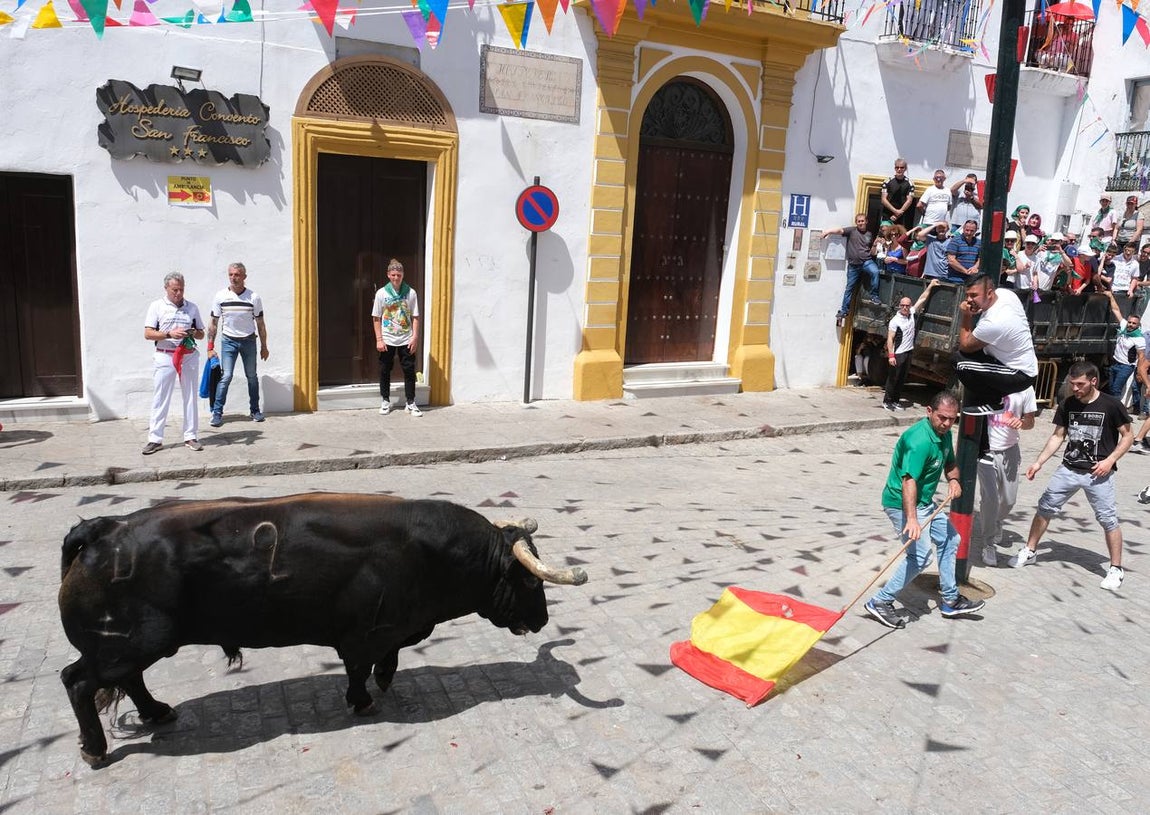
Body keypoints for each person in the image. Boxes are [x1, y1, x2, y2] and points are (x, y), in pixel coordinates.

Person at [864, 390, 986, 628]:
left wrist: (954, 480)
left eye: (952, 419)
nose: (947, 423)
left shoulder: (943, 434)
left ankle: (950, 600)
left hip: (924, 502)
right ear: (929, 411)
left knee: (951, 539)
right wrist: (911, 519)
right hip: (902, 503)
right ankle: (880, 601)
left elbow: (950, 463)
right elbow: (908, 481)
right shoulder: (918, 441)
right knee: (919, 557)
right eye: (942, 417)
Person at [1008, 361, 1132, 592]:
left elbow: (1128, 436)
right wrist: (1039, 462)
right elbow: (1058, 436)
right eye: (1072, 383)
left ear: (1093, 381)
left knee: (1108, 519)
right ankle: (1030, 550)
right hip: (1068, 469)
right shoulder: (1067, 404)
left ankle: (1116, 568)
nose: (1075, 388)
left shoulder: (1111, 404)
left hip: (1098, 474)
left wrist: (1110, 461)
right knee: (1045, 508)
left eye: (1080, 384)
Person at [955, 274, 1039, 415]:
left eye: (974, 295)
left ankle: (993, 401)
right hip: (1023, 364)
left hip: (1019, 375)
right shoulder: (1005, 294)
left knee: (959, 362)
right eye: (967, 295)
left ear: (989, 293)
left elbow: (965, 346)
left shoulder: (994, 323)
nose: (969, 300)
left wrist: (967, 315)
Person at [142, 272, 206, 454]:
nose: (178, 293)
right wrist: (169, 334)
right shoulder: (157, 306)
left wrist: (192, 332)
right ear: (166, 289)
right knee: (161, 396)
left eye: (181, 289)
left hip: (188, 354)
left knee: (190, 395)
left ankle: (191, 436)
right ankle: (155, 439)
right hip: (165, 354)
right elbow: (148, 333)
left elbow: (201, 333)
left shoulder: (191, 307)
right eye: (174, 290)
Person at [977, 387, 1038, 566]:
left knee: (1009, 500)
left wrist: (1021, 422)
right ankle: (988, 544)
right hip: (986, 450)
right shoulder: (988, 380)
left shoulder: (1025, 386)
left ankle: (996, 521)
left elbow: (1030, 421)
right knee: (990, 499)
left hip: (1010, 450)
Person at [207, 262, 269, 427]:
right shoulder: (220, 296)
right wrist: (210, 347)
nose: (233, 278)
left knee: (252, 376)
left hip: (249, 341)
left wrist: (264, 346)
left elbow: (261, 323)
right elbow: (213, 323)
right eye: (231, 274)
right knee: (226, 376)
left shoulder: (253, 297)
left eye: (237, 275)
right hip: (228, 341)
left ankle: (255, 410)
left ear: (244, 277)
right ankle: (217, 412)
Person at [372, 258, 423, 417]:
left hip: (406, 338)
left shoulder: (410, 292)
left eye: (399, 275)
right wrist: (379, 339)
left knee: (409, 371)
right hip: (387, 338)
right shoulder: (381, 293)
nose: (396, 278)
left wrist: (415, 337)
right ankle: (385, 400)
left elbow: (415, 316)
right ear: (388, 275)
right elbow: (376, 317)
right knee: (385, 370)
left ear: (403, 275)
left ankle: (410, 402)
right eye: (393, 275)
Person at [883, 280, 940, 411]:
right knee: (893, 378)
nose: (905, 308)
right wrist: (891, 355)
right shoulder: (895, 321)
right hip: (898, 353)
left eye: (907, 305)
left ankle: (895, 400)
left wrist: (931, 285)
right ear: (899, 306)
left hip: (908, 352)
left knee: (902, 378)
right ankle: (887, 401)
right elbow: (890, 339)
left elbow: (922, 299)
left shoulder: (912, 313)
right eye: (902, 305)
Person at [821, 214, 881, 320]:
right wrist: (827, 232)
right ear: (856, 222)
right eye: (859, 221)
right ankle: (844, 311)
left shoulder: (869, 234)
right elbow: (839, 230)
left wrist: (875, 244)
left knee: (875, 272)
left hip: (866, 261)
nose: (861, 223)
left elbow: (871, 251)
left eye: (862, 221)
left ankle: (874, 296)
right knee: (849, 288)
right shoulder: (852, 230)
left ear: (866, 221)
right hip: (854, 265)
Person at [1103, 290, 1144, 415]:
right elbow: (1116, 310)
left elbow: (1141, 356)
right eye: (1130, 322)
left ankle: (1116, 413)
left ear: (1138, 325)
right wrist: (1111, 296)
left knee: (1116, 389)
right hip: (1115, 363)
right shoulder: (1124, 327)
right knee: (1111, 388)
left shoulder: (1139, 338)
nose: (1130, 325)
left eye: (1134, 323)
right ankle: (1115, 411)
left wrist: (1139, 372)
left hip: (1126, 367)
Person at [881, 158, 916, 229]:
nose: (899, 169)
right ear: (895, 168)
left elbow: (909, 201)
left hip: (901, 215)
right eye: (897, 167)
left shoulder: (910, 183)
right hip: (887, 214)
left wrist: (897, 214)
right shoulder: (887, 181)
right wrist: (895, 211)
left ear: (905, 169)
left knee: (898, 235)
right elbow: (883, 199)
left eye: (902, 167)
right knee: (884, 232)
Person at [945, 219, 981, 284]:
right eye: (967, 230)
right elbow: (951, 260)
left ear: (976, 230)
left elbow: (980, 258)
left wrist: (975, 267)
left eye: (972, 231)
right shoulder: (955, 241)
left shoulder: (979, 243)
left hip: (972, 279)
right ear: (963, 229)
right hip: (955, 279)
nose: (969, 233)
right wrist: (965, 271)